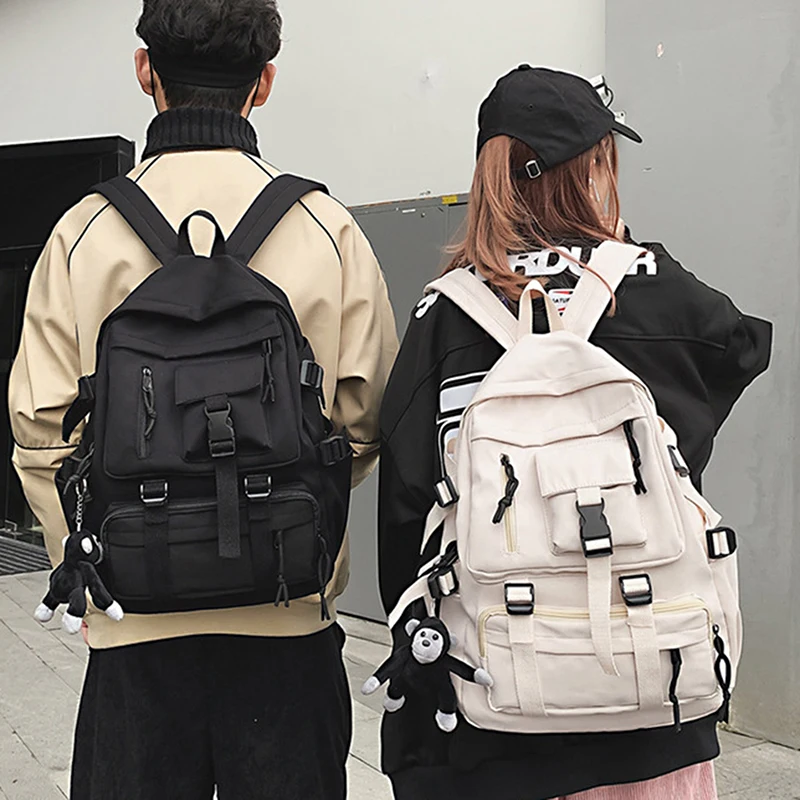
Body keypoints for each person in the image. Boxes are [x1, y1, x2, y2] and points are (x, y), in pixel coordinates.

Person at [9, 1, 398, 798]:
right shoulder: (325, 228)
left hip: (134, 629)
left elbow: (41, 437)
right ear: (265, 82)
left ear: (145, 69)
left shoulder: (81, 232)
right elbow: (363, 424)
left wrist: (94, 564)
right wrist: (282, 506)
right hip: (289, 620)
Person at [378, 66, 772, 800]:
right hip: (655, 701)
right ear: (592, 166)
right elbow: (744, 348)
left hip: (493, 711)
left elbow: (407, 512)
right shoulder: (654, 286)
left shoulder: (445, 315)